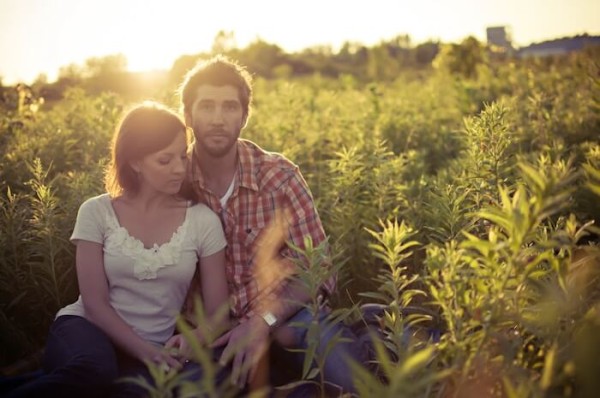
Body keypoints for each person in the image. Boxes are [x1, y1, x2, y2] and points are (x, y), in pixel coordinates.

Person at [6, 101, 229, 398]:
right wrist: (146, 352)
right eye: (165, 160)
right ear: (135, 162)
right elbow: (95, 303)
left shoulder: (203, 220)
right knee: (95, 370)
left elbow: (218, 314)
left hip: (154, 348)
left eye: (182, 156)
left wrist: (195, 338)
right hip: (85, 331)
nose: (179, 168)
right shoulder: (96, 211)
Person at [178, 55, 365, 395]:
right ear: (187, 115)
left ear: (245, 116)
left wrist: (260, 323)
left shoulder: (278, 176)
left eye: (229, 107)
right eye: (206, 106)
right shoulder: (173, 182)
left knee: (354, 381)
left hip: (290, 319)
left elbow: (319, 269)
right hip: (213, 335)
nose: (218, 119)